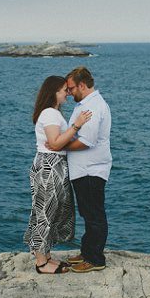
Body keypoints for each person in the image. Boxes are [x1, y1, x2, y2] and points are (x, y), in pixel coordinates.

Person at [25, 75, 93, 274]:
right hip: (49, 165)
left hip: (53, 164)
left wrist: (63, 140)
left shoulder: (52, 113)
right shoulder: (49, 114)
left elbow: (56, 143)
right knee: (45, 213)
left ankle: (45, 256)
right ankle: (41, 262)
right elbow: (55, 143)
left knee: (51, 211)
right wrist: (77, 125)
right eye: (64, 90)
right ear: (54, 92)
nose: (67, 93)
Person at [64, 66, 112, 273]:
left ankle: (95, 259)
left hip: (90, 170)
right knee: (88, 213)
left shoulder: (93, 107)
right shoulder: (86, 104)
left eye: (71, 88)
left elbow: (87, 141)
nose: (68, 92)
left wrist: (60, 145)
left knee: (94, 216)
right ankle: (87, 252)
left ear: (82, 85)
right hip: (83, 169)